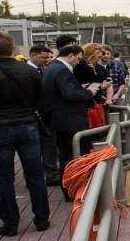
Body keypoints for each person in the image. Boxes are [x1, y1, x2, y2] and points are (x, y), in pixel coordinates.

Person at [0, 32, 51, 235]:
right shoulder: (30, 71)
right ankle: (41, 218)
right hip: (27, 124)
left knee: (4, 178)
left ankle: (10, 223)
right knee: (35, 174)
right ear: (13, 49)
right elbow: (40, 100)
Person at [43, 44, 104, 195]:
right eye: (78, 57)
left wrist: (79, 89)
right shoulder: (62, 70)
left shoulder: (51, 68)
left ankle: (70, 188)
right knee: (74, 154)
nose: (78, 61)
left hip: (59, 119)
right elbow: (70, 95)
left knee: (65, 154)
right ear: (71, 55)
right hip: (70, 120)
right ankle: (76, 188)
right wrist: (89, 92)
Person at [26, 44, 59, 185]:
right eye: (43, 57)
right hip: (32, 115)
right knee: (33, 149)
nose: (46, 60)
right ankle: (34, 177)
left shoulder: (44, 70)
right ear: (33, 55)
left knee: (49, 145)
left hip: (46, 115)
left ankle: (50, 173)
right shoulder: (26, 72)